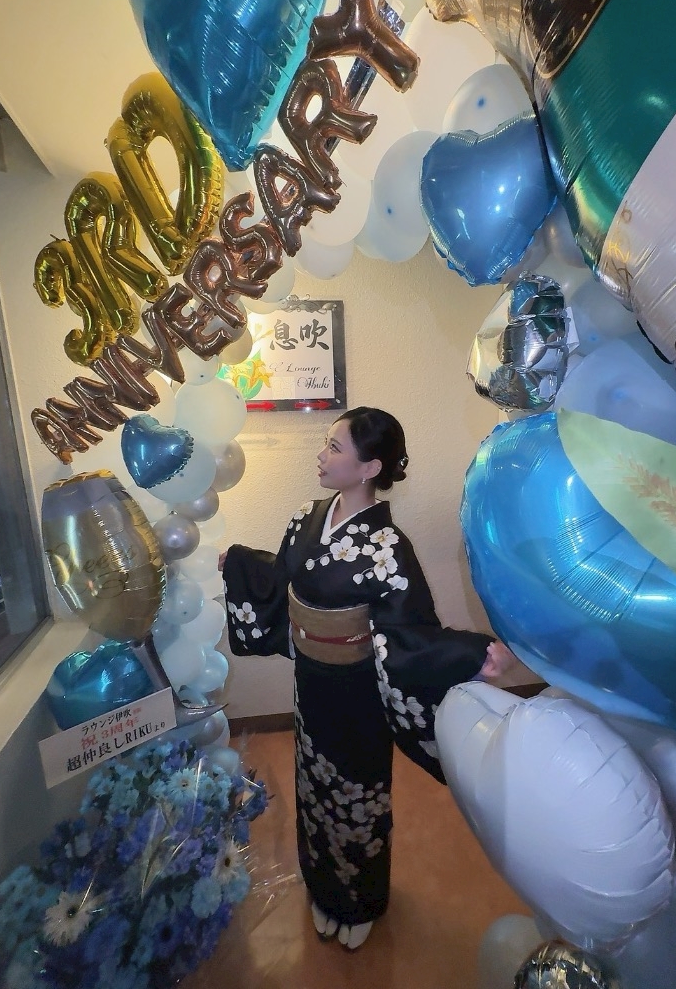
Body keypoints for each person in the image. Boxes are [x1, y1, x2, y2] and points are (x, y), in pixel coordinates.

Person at [219, 406, 538, 950]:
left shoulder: (389, 547)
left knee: (357, 797)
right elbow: (282, 576)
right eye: (326, 445)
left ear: (369, 468)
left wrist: (470, 653)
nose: (322, 456)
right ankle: (323, 890)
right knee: (314, 789)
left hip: (357, 693)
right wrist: (239, 563)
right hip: (311, 684)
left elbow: (410, 631)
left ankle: (359, 901)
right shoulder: (306, 517)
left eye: (334, 447)